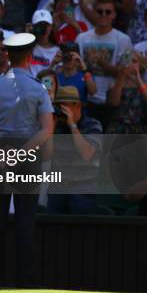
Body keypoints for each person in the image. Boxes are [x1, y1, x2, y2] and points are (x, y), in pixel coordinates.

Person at [0, 32, 54, 288]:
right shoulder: (38, 88)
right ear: (30, 56)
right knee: (25, 219)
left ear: (8, 54)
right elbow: (46, 129)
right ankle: (26, 282)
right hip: (27, 155)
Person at [76, 0, 133, 130]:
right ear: (94, 13)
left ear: (114, 15)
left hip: (111, 101)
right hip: (85, 101)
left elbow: (126, 73)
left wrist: (103, 64)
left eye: (108, 12)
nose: (103, 15)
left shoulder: (124, 40)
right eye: (100, 11)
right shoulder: (81, 38)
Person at [47, 86, 102, 214]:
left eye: (64, 106)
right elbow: (46, 156)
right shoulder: (56, 126)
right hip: (58, 189)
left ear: (78, 106)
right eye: (58, 106)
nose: (61, 110)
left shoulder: (92, 125)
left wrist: (72, 125)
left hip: (82, 191)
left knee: (80, 232)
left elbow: (87, 154)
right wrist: (50, 130)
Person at [106, 51, 147, 134]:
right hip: (117, 130)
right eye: (127, 60)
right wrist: (121, 76)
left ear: (140, 64)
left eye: (134, 61)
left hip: (139, 130)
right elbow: (114, 103)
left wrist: (139, 81)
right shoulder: (113, 85)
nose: (130, 64)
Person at [30, 9, 59, 76]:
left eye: (47, 25)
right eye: (40, 25)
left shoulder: (58, 51)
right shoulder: (26, 47)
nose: (44, 28)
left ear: (51, 27)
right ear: (34, 27)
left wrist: (53, 65)